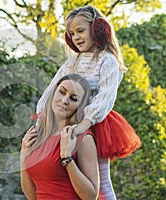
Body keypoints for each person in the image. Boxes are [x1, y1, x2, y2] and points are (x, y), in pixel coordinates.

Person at [36, 5, 142, 200]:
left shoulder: (107, 60)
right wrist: (41, 117)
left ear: (97, 29)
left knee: (100, 178)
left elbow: (106, 96)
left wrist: (84, 124)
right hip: (68, 123)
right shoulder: (72, 62)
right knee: (69, 177)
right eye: (71, 33)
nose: (76, 37)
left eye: (80, 31)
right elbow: (52, 89)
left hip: (94, 124)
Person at [20, 74, 99, 199]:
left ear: (80, 106)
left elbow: (91, 196)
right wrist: (23, 156)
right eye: (62, 92)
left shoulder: (83, 139)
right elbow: (32, 196)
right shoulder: (38, 135)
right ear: (53, 92)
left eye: (73, 98)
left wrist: (67, 158)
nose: (64, 100)